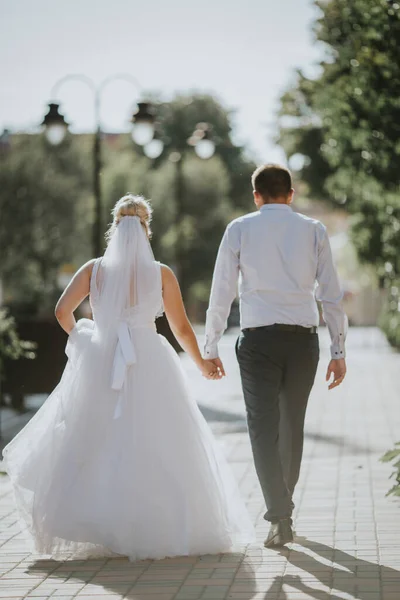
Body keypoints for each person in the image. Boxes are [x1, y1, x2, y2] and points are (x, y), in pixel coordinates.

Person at [3, 194, 255, 561]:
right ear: (146, 229)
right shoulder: (161, 273)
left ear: (115, 227)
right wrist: (203, 362)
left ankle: (101, 523)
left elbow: (62, 311)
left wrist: (85, 339)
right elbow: (180, 327)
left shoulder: (93, 269)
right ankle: (157, 525)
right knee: (156, 438)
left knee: (95, 437)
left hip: (102, 358)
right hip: (149, 356)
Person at [204, 164, 347, 548]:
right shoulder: (314, 230)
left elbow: (222, 291)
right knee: (292, 425)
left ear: (256, 195)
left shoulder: (239, 229)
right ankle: (283, 506)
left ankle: (279, 515)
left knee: (262, 429)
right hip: (303, 342)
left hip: (257, 343)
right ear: (291, 193)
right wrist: (338, 349)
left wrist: (210, 345)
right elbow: (330, 293)